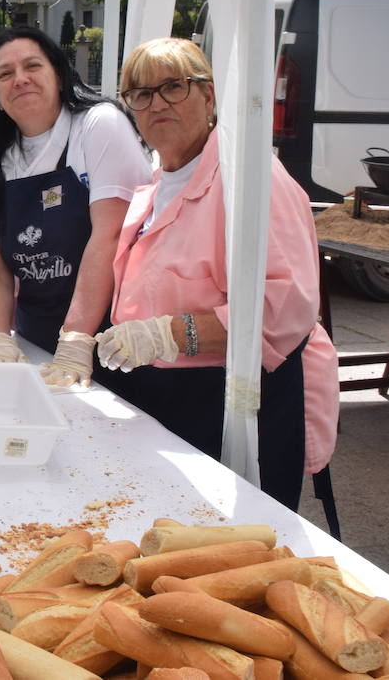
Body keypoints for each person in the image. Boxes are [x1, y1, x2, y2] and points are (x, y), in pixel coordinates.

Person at [96, 38, 338, 511]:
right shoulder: (155, 181)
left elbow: (287, 305)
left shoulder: (252, 178)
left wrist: (168, 334)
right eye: (141, 94)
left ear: (208, 96)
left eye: (172, 87)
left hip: (230, 400)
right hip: (161, 398)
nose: (156, 103)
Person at [0, 28, 150, 384]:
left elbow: (109, 238)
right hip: (38, 337)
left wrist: (76, 341)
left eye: (32, 66)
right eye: (5, 74)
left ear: (59, 75)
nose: (20, 79)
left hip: (111, 340)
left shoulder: (98, 125)